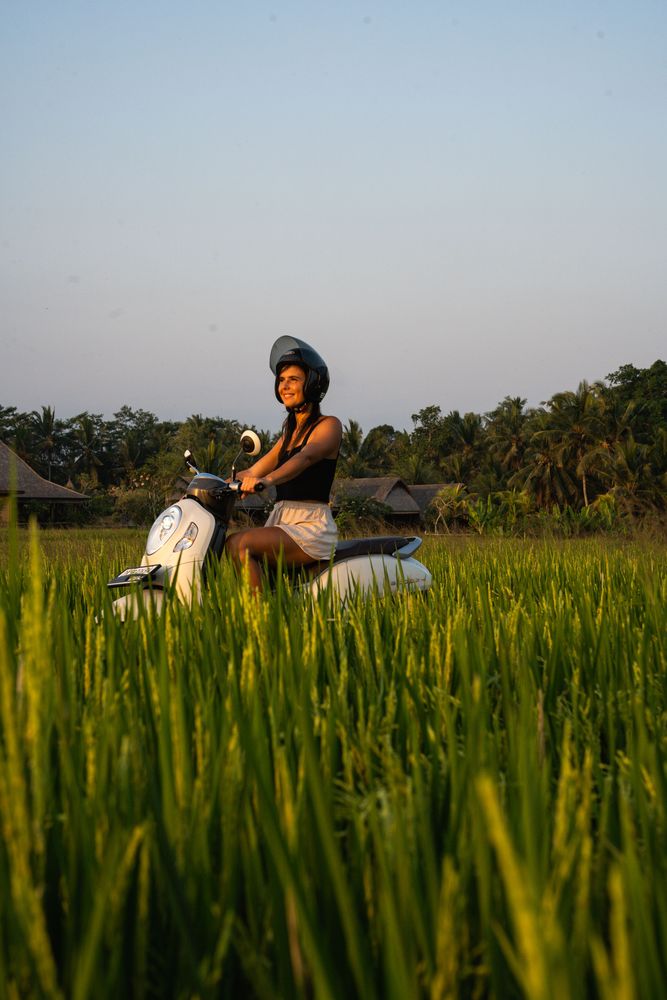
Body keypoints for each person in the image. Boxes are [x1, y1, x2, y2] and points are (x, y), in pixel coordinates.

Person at [225, 336, 342, 590]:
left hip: (310, 526)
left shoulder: (328, 426)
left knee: (239, 543)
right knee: (230, 545)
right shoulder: (287, 436)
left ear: (312, 384)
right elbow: (254, 469)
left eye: (293, 379)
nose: (284, 386)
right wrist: (211, 487)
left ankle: (259, 622)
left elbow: (305, 458)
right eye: (281, 380)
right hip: (282, 521)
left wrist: (267, 481)